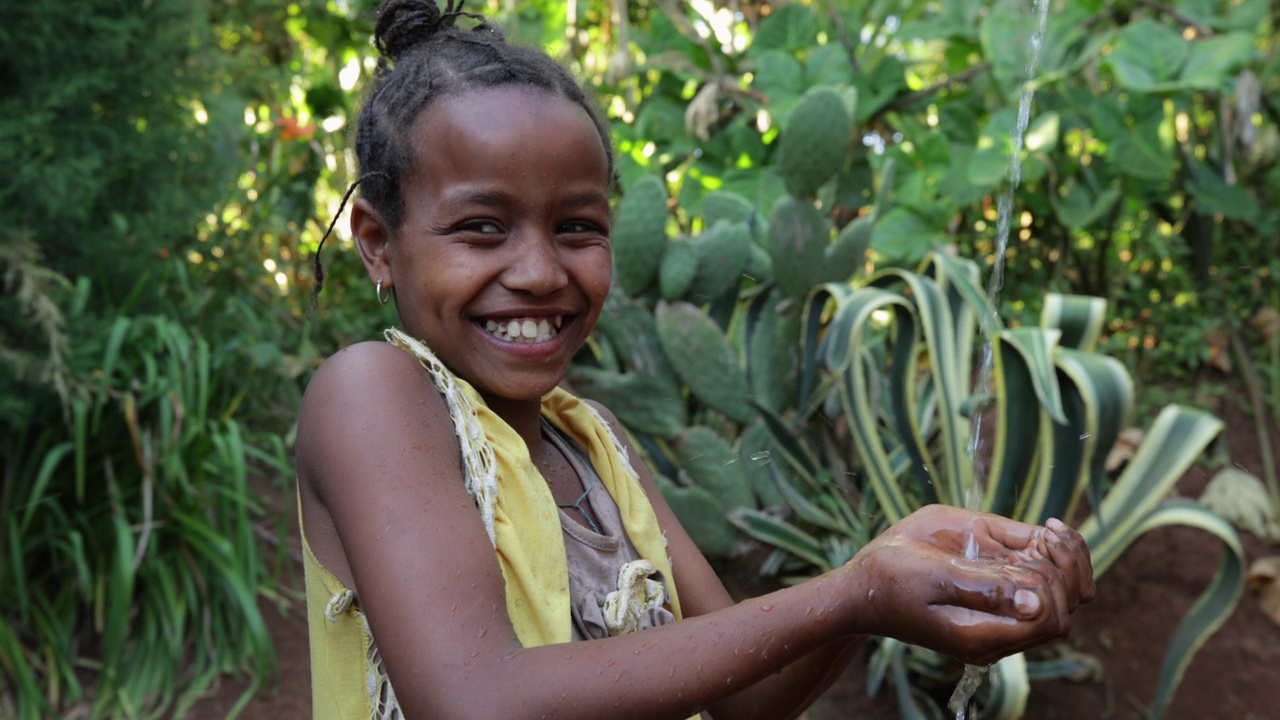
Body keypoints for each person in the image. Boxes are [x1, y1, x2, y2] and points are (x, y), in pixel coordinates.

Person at [296, 1, 1097, 718]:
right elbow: (476, 698)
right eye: (481, 227)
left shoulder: (596, 441)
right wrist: (852, 591)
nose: (541, 271)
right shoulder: (372, 393)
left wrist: (880, 575)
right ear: (378, 244)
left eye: (577, 226)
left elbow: (746, 694)